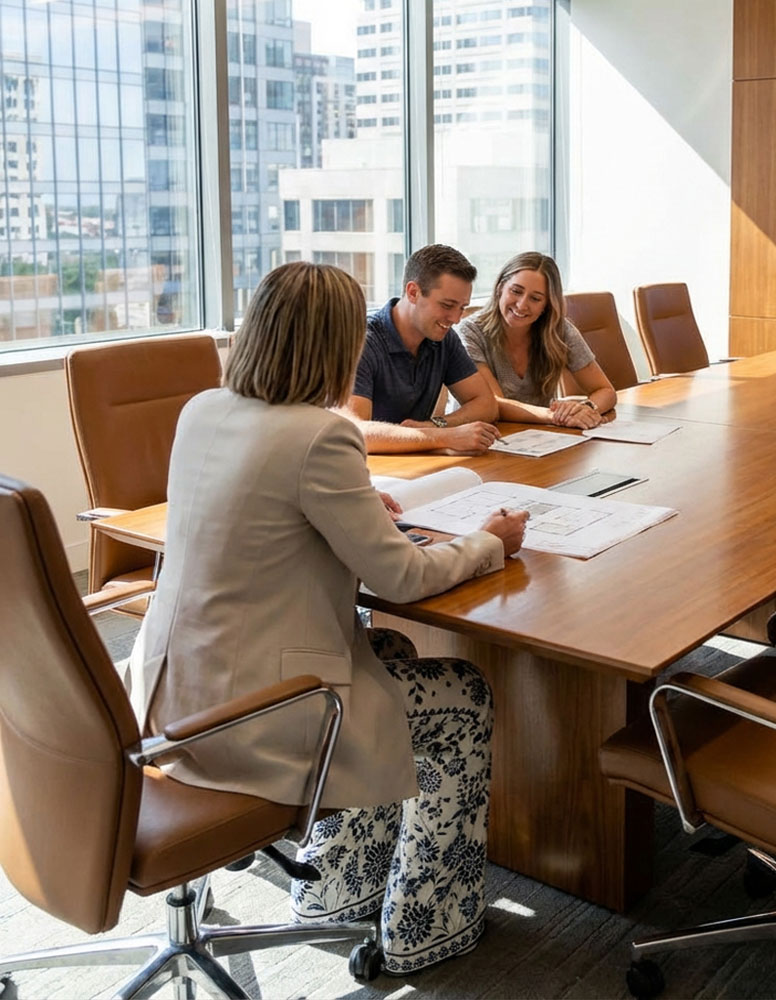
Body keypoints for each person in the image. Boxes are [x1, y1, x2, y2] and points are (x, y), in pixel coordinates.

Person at [127, 261, 528, 974]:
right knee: (464, 697)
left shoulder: (203, 410)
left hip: (167, 693)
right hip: (252, 714)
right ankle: (427, 925)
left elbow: (256, 506)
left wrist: (349, 505)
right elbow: (401, 575)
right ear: (334, 346)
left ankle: (341, 889)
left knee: (392, 653)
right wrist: (488, 543)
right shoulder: (320, 436)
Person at [345, 244, 501, 454]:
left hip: (418, 466)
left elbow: (486, 404)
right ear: (413, 292)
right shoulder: (361, 341)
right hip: (369, 471)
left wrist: (436, 425)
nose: (455, 319)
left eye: (462, 308)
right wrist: (445, 437)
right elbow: (356, 431)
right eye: (447, 305)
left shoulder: (444, 339)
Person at [457, 252, 617, 429]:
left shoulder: (559, 330)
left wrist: (586, 408)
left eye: (535, 298)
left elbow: (606, 391)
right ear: (500, 288)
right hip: (480, 437)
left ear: (546, 305)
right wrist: (555, 415)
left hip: (539, 438)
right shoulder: (470, 331)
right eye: (516, 291)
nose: (521, 305)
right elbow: (492, 404)